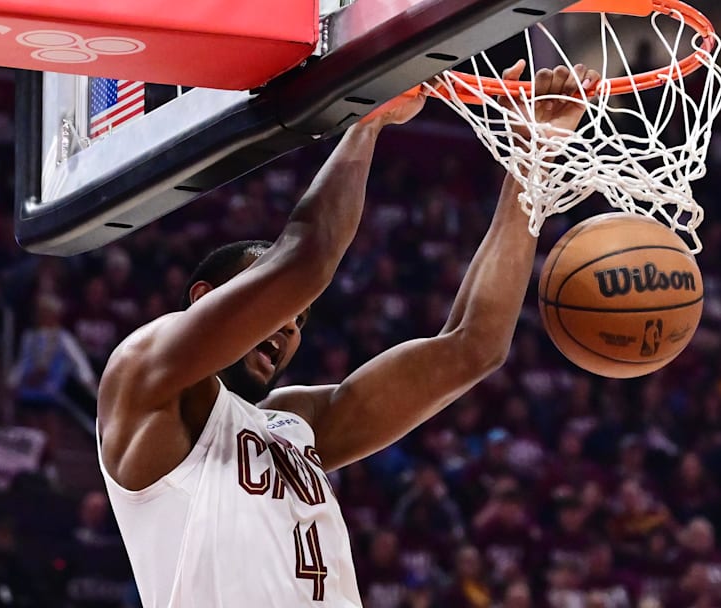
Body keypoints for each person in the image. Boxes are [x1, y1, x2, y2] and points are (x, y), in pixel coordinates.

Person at [96, 61, 599, 607]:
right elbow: (306, 260)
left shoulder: (297, 425)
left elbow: (472, 346)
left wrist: (532, 159)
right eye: (279, 305)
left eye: (302, 321)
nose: (289, 323)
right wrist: (367, 121)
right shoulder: (142, 375)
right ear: (203, 299)